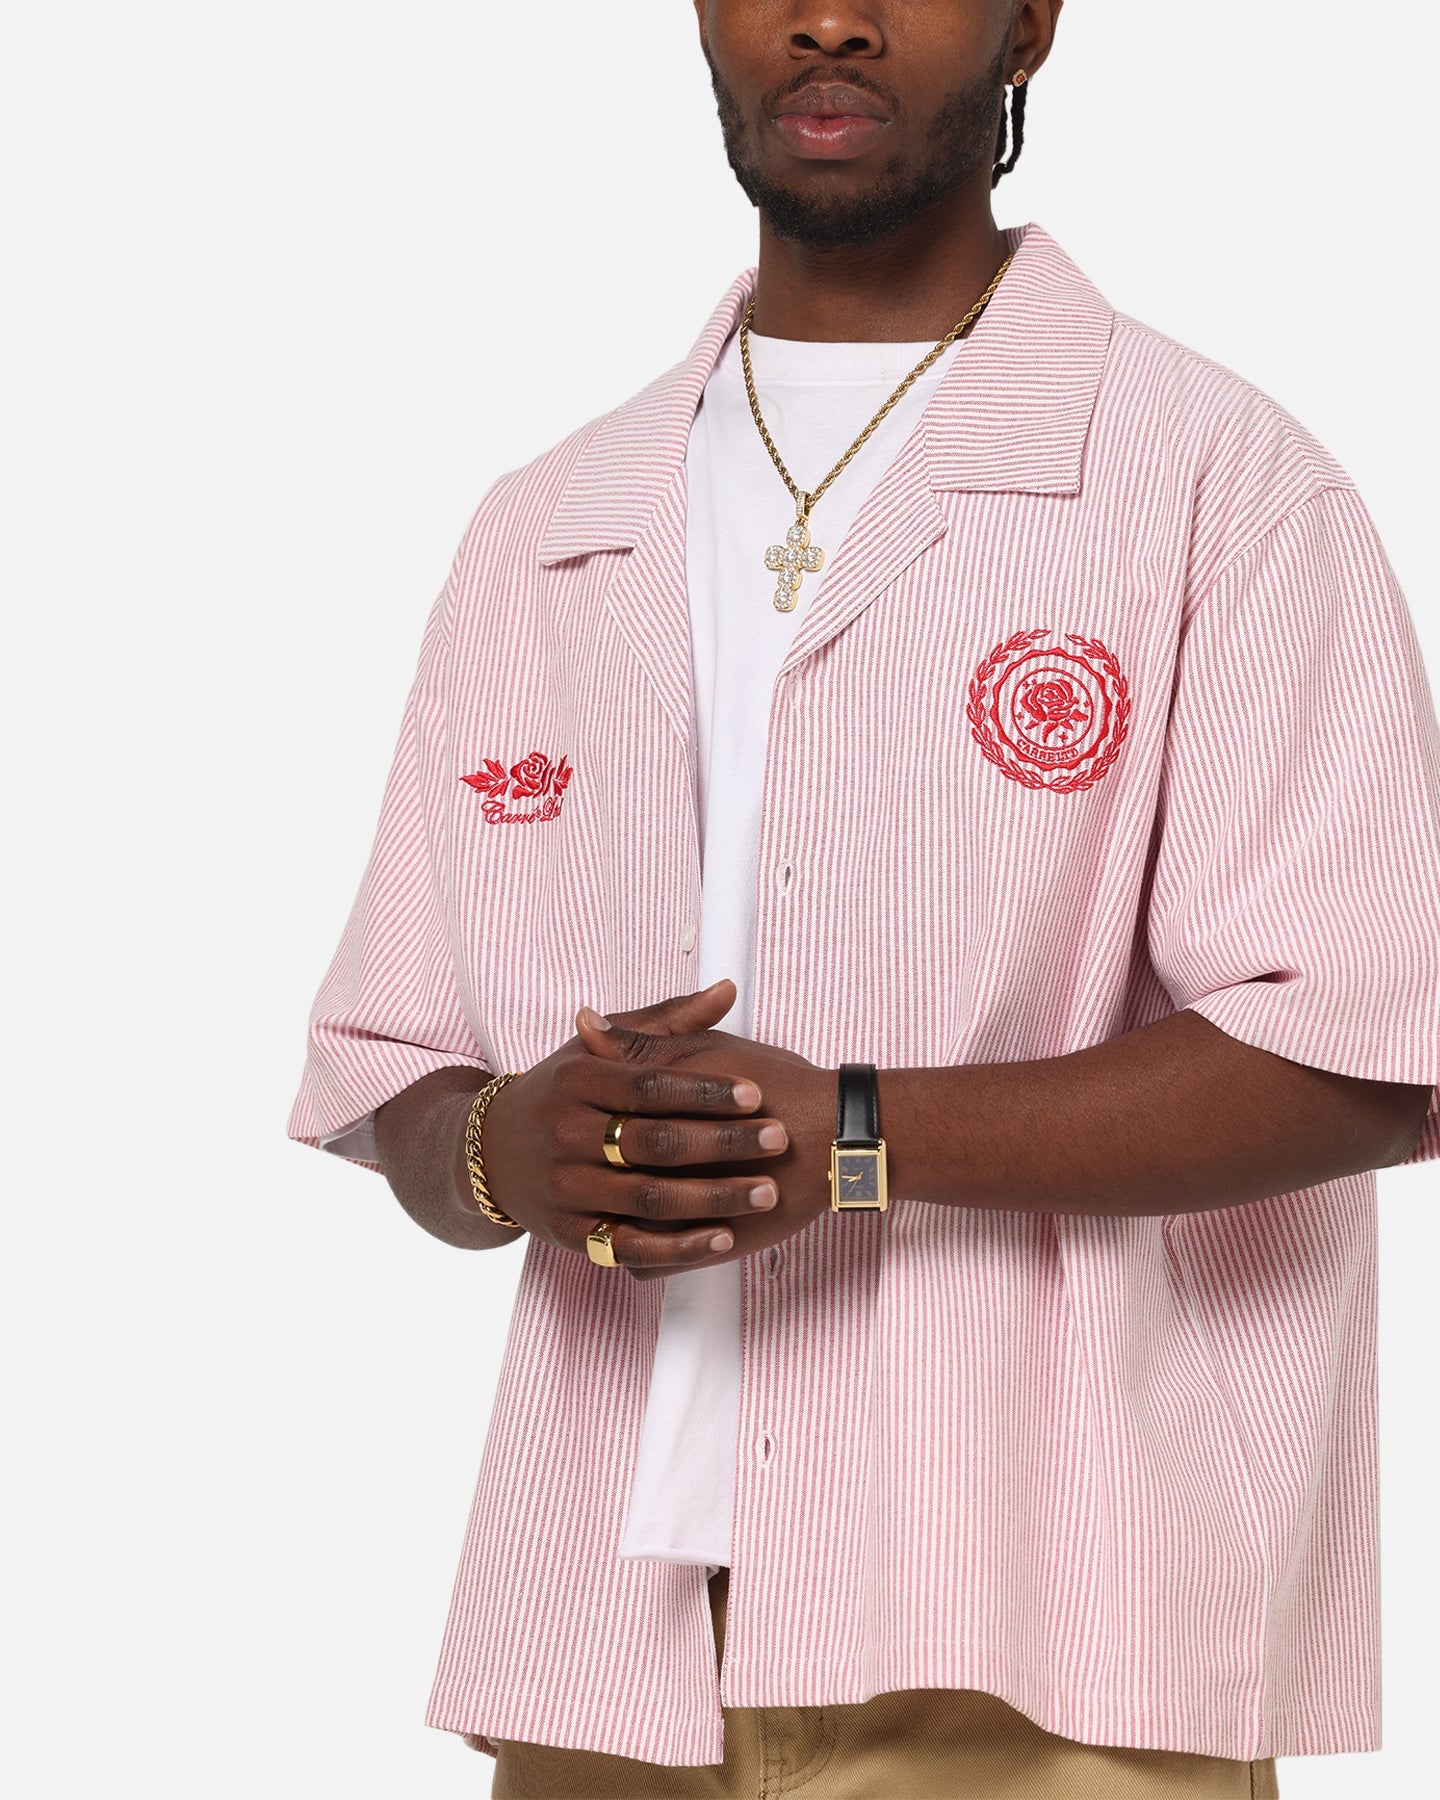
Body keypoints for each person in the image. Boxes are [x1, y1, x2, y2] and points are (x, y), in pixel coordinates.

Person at [286, 3, 1440, 1794]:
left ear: (1031, 20)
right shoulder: (546, 527)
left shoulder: (1224, 487)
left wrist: (844, 1135)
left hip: (1053, 1647)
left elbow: (1369, 1048)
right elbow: (390, 1066)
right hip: (610, 1656)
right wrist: (502, 1145)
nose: (828, 14)